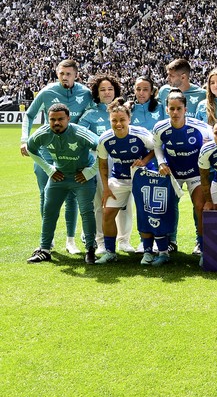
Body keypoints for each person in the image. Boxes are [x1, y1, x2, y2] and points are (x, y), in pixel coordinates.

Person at [20, 59, 92, 255]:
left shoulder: (85, 93)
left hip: (74, 152)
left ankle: (71, 240)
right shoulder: (47, 92)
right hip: (47, 150)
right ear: (57, 73)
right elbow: (29, 115)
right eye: (61, 73)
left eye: (68, 74)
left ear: (76, 75)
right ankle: (47, 241)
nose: (64, 77)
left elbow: (95, 113)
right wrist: (25, 139)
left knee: (71, 196)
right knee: (45, 195)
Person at [25, 104, 100, 264]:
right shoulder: (43, 133)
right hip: (58, 176)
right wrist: (49, 169)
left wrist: (90, 172)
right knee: (49, 210)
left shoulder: (80, 133)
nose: (56, 123)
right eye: (52, 119)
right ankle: (44, 249)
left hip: (81, 177)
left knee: (86, 212)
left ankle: (90, 249)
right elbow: (31, 148)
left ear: (68, 119)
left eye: (60, 119)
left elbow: (103, 148)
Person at [94, 99, 156, 264]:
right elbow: (102, 165)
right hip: (119, 179)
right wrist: (106, 188)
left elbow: (156, 149)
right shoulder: (104, 139)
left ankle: (148, 251)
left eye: (122, 120)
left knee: (146, 214)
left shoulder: (141, 134)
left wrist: (144, 161)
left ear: (129, 119)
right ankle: (110, 252)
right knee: (107, 214)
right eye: (114, 120)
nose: (118, 123)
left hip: (142, 177)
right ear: (110, 121)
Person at [79, 75, 135, 254]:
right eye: (102, 90)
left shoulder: (123, 111)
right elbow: (81, 136)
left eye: (110, 89)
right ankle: (101, 241)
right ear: (96, 93)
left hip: (122, 162)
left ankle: (124, 240)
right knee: (101, 202)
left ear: (115, 91)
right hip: (99, 161)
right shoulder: (90, 113)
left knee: (126, 203)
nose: (107, 92)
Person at [153, 91, 213, 256]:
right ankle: (170, 241)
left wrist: (208, 145)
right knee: (167, 207)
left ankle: (200, 243)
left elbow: (216, 140)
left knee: (200, 207)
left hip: (195, 173)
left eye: (179, 108)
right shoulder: (160, 127)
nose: (175, 112)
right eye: (171, 108)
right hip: (172, 174)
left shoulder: (201, 127)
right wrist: (161, 162)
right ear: (166, 110)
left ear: (185, 109)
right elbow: (156, 146)